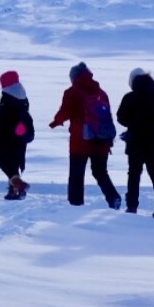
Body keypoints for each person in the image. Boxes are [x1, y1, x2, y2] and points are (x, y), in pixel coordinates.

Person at [51, 63, 121, 208]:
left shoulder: (72, 92)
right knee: (100, 171)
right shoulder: (101, 92)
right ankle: (113, 197)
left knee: (76, 174)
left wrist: (56, 122)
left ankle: (75, 204)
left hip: (80, 141)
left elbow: (65, 112)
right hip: (101, 140)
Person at [117, 68, 154, 218]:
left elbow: (121, 117)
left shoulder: (130, 97)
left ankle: (132, 206)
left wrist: (133, 124)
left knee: (134, 174)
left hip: (135, 142)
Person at [0, 71, 34, 200]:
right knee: (14, 162)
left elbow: (2, 120)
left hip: (8, 136)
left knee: (0, 158)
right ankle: (14, 190)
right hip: (21, 136)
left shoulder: (7, 98)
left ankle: (19, 185)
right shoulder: (22, 96)